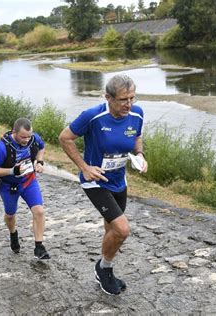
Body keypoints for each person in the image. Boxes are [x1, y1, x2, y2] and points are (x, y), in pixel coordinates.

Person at [59, 75, 148, 295]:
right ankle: (103, 268)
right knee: (122, 229)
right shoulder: (93, 116)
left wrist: (140, 155)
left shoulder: (137, 113)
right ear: (107, 97)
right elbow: (65, 137)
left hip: (119, 180)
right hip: (95, 182)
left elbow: (137, 137)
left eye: (132, 98)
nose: (129, 104)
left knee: (111, 229)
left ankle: (106, 270)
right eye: (123, 99)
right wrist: (84, 167)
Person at [0, 118, 50, 260]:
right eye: (23, 137)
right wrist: (12, 171)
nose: (27, 140)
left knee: (39, 211)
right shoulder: (2, 147)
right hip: (9, 186)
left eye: (29, 136)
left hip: (29, 181)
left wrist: (39, 161)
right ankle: (13, 234)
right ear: (14, 132)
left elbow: (41, 147)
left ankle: (39, 247)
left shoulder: (33, 138)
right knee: (10, 215)